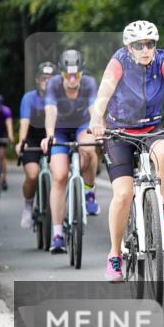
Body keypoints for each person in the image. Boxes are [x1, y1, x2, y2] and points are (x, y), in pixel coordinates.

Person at [89, 20, 164, 282]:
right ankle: (114, 254)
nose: (145, 50)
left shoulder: (162, 60)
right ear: (129, 48)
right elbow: (103, 94)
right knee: (123, 194)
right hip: (119, 132)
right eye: (138, 45)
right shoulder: (118, 61)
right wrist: (96, 120)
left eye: (149, 44)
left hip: (151, 129)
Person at [40, 50, 100, 254]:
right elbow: (50, 111)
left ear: (82, 73)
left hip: (82, 125)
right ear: (61, 73)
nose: (72, 79)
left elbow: (93, 110)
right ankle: (57, 235)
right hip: (59, 129)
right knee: (59, 177)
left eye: (76, 74)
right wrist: (49, 135)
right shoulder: (53, 85)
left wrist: (97, 128)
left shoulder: (89, 83)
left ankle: (89, 192)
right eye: (68, 75)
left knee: (90, 147)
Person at [15, 62, 56, 227]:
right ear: (37, 80)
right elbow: (24, 122)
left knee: (61, 173)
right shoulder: (29, 98)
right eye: (44, 78)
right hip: (32, 138)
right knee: (32, 175)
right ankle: (28, 205)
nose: (47, 81)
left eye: (50, 78)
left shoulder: (60, 98)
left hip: (53, 136)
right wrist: (21, 142)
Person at [0, 94, 14, 192]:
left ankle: (3, 179)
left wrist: (10, 136)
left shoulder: (6, 111)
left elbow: (9, 124)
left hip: (1, 133)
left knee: (2, 156)